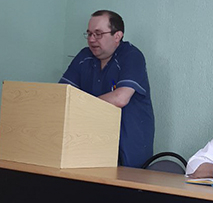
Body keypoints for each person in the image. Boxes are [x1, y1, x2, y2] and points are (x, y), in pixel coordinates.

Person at [59, 10, 154, 168]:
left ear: (117, 36)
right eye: (89, 34)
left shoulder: (131, 56)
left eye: (98, 34)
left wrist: (80, 105)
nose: (91, 39)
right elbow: (61, 95)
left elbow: (120, 98)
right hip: (91, 145)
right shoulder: (84, 57)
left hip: (129, 146)